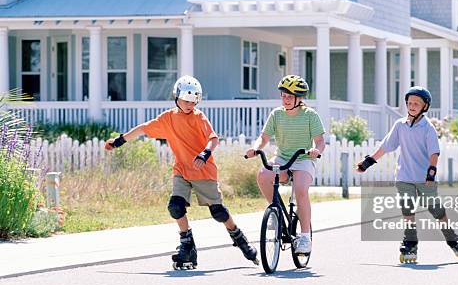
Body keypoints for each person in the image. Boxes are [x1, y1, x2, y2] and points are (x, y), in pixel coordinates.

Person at [105, 75, 258, 269]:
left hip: (203, 170)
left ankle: (239, 238)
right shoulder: (167, 119)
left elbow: (213, 139)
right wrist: (119, 141)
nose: (189, 105)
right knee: (175, 206)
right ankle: (187, 245)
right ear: (177, 97)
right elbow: (143, 129)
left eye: (193, 101)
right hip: (182, 170)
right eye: (186, 100)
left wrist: (204, 154)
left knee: (218, 212)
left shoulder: (198, 117)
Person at [356, 86, 458, 263]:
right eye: (410, 103)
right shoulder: (400, 125)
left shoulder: (428, 128)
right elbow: (386, 146)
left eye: (417, 103)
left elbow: (434, 152)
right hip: (404, 176)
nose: (412, 106)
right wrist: (368, 162)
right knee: (407, 210)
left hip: (425, 179)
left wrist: (431, 173)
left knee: (436, 210)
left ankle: (452, 239)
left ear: (425, 106)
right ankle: (410, 241)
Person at [245, 75, 325, 255]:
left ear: (299, 98)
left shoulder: (310, 116)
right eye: (283, 95)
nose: (286, 99)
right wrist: (255, 148)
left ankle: (305, 237)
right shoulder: (277, 114)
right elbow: (264, 137)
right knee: (263, 175)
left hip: (303, 158)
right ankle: (277, 212)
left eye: (290, 96)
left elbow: (320, 141)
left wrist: (316, 151)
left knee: (301, 189)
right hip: (282, 158)